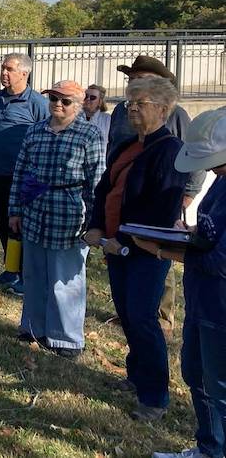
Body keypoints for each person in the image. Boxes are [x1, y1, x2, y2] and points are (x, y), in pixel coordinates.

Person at [85, 77, 189, 421]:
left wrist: (125, 240)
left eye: (139, 103)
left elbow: (162, 209)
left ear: (162, 109)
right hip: (114, 245)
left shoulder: (169, 149)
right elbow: (105, 188)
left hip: (145, 250)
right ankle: (136, 376)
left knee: (144, 318)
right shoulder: (126, 145)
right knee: (128, 315)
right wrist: (98, 226)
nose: (131, 108)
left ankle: (155, 397)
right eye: (130, 102)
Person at [145, 109, 226, 458]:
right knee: (196, 373)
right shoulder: (221, 182)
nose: (208, 169)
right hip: (201, 297)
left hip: (221, 305)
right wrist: (191, 233)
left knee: (221, 385)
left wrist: (165, 251)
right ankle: (209, 448)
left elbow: (221, 261)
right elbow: (213, 231)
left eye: (212, 161)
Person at [108, 56, 204, 334]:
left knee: (159, 260)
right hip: (125, 205)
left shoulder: (176, 116)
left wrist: (187, 195)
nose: (135, 83)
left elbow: (194, 156)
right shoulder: (120, 113)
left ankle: (162, 316)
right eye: (132, 78)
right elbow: (114, 151)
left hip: (164, 199)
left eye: (143, 78)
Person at [8, 81, 103, 359]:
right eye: (53, 99)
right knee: (34, 273)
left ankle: (66, 338)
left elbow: (97, 181)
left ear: (80, 103)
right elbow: (21, 171)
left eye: (66, 101)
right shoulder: (35, 131)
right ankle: (33, 327)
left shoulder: (89, 134)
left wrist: (94, 222)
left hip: (71, 213)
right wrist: (15, 210)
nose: (58, 105)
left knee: (65, 280)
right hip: (35, 210)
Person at [0, 52, 50, 293]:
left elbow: (46, 134)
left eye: (10, 69)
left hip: (24, 176)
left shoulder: (37, 103)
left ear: (24, 73)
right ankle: (10, 268)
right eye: (3, 68)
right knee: (2, 223)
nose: (4, 72)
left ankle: (26, 274)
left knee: (22, 226)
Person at [82, 84, 112, 160]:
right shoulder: (74, 117)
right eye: (85, 96)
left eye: (92, 97)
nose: (88, 99)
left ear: (99, 102)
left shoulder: (107, 119)